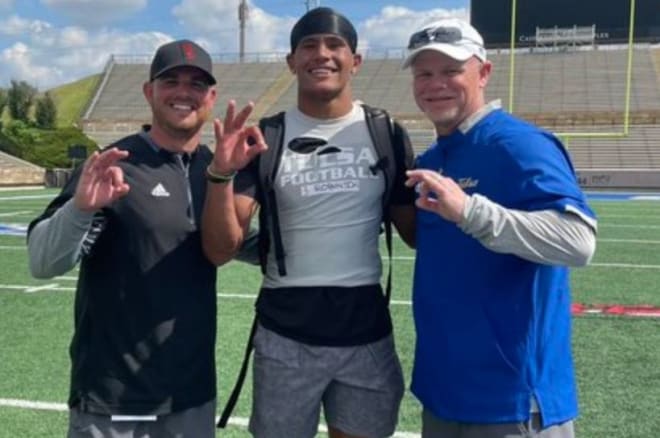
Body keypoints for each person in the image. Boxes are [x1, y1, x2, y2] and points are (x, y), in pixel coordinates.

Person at [201, 7, 416, 438]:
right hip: (286, 331)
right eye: (309, 46)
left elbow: (417, 234)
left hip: (366, 330)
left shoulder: (385, 132)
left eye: (335, 45)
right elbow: (221, 248)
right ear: (292, 61)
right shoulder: (267, 137)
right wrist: (221, 174)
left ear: (356, 61)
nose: (323, 54)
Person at [402, 18, 598, 438]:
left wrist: (472, 212)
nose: (435, 84)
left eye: (451, 70)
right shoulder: (432, 158)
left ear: (484, 72)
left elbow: (579, 242)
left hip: (511, 402)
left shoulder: (519, 144)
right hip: (444, 393)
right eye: (424, 73)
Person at [27, 39, 223, 437]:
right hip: (113, 397)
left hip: (191, 397)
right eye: (171, 81)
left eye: (196, 84)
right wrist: (80, 209)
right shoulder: (114, 165)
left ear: (211, 97)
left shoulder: (216, 171)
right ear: (149, 91)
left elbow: (241, 242)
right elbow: (42, 262)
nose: (184, 92)